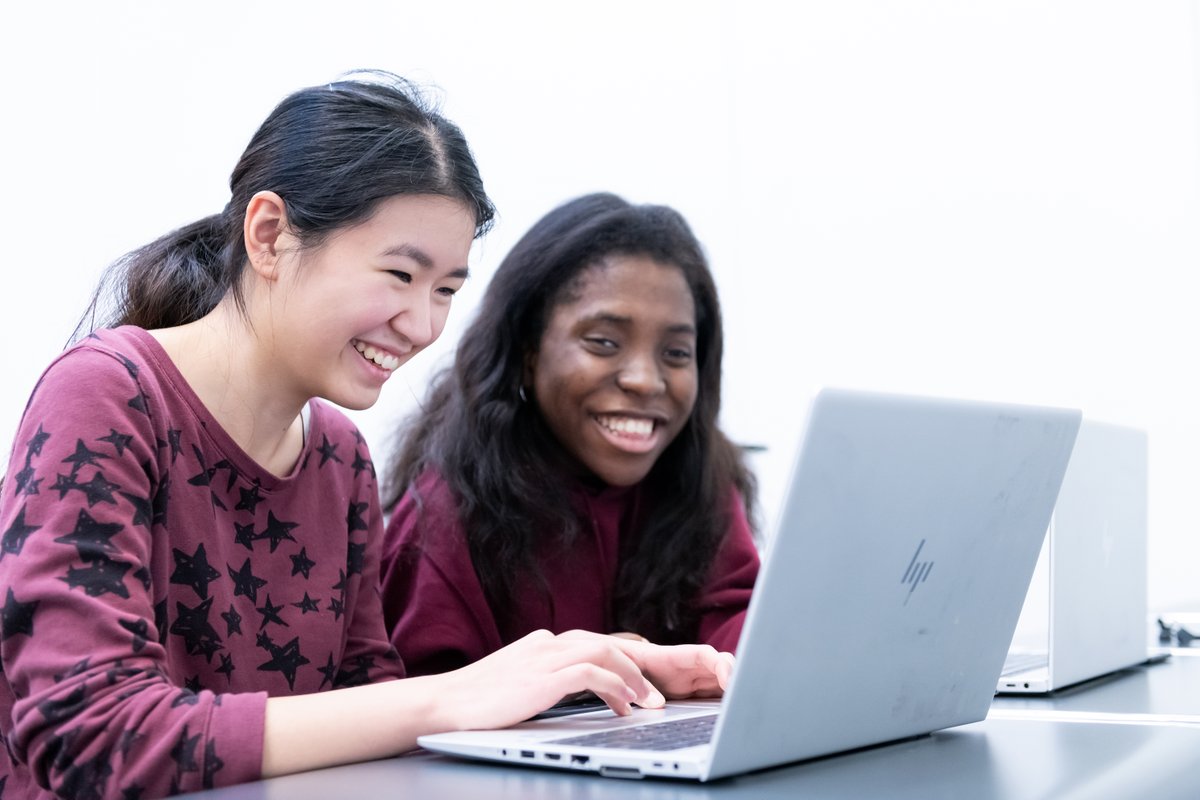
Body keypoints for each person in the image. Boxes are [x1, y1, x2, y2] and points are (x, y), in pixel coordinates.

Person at [0, 77, 734, 799]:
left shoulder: (339, 457)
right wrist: (452, 695)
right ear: (268, 236)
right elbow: (94, 740)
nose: (422, 325)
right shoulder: (106, 395)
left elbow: (369, 722)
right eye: (399, 273)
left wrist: (586, 679)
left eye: (445, 289)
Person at [380, 192, 760, 678]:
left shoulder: (698, 482)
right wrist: (581, 679)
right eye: (603, 342)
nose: (645, 379)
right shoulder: (447, 513)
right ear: (528, 350)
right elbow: (416, 708)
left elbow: (741, 630)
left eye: (677, 353)